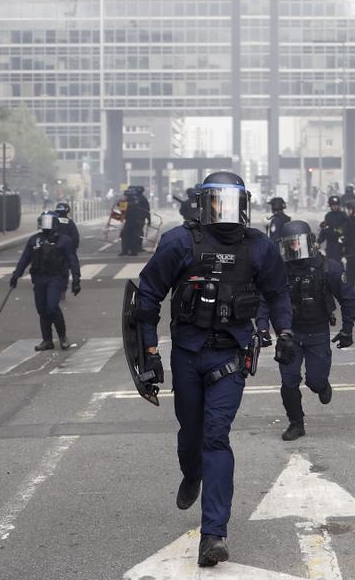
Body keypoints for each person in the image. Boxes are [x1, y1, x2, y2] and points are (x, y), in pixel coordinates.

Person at [134, 171, 295, 567]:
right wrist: (148, 354)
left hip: (230, 356)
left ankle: (214, 534)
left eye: (230, 202)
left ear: (244, 205)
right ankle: (192, 474)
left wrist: (286, 332)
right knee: (191, 436)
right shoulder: (179, 243)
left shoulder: (260, 248)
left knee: (216, 438)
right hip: (187, 355)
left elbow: (277, 295)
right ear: (202, 204)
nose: (222, 211)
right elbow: (147, 297)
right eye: (214, 202)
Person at [272, 220, 355, 441]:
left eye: (298, 243)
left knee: (315, 381)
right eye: (290, 244)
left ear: (310, 242)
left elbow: (348, 298)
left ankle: (321, 385)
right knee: (289, 382)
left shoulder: (329, 268)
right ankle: (296, 423)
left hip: (317, 333)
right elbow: (267, 298)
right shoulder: (279, 270)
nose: (294, 248)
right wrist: (263, 327)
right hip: (289, 333)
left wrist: (347, 329)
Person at [9, 212, 81, 351]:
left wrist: (76, 279)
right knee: (42, 309)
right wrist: (16, 275)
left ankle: (62, 337)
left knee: (52, 306)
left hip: (56, 277)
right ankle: (47, 340)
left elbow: (72, 260)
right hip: (39, 278)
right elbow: (25, 259)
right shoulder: (34, 240)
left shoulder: (64, 240)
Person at [317, 195, 349, 262]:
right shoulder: (328, 216)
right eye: (333, 205)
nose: (335, 206)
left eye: (336, 204)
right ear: (330, 206)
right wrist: (319, 241)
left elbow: (345, 229)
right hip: (330, 243)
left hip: (339, 242)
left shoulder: (343, 215)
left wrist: (337, 231)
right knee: (329, 260)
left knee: (336, 260)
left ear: (339, 205)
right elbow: (324, 229)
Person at [121, 187, 148, 256]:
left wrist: (122, 203)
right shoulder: (135, 200)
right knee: (129, 235)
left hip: (132, 221)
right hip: (133, 220)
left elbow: (123, 210)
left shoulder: (131, 202)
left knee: (128, 235)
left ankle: (131, 251)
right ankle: (128, 250)